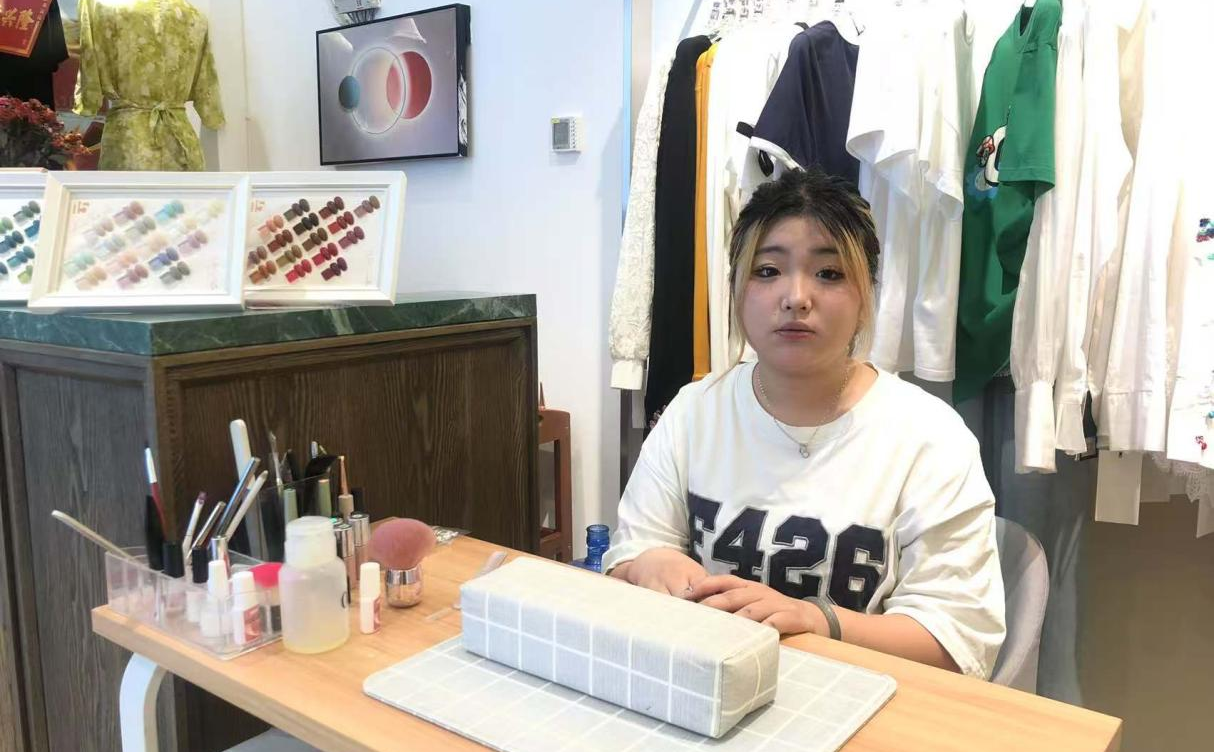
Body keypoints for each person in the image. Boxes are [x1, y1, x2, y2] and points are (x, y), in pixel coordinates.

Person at [604, 168, 1005, 678]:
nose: (796, 297)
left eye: (829, 273)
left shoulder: (930, 438)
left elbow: (957, 642)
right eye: (768, 270)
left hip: (863, 697)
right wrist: (649, 561)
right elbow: (626, 557)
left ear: (866, 295)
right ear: (736, 290)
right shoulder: (694, 412)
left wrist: (818, 621)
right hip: (709, 685)